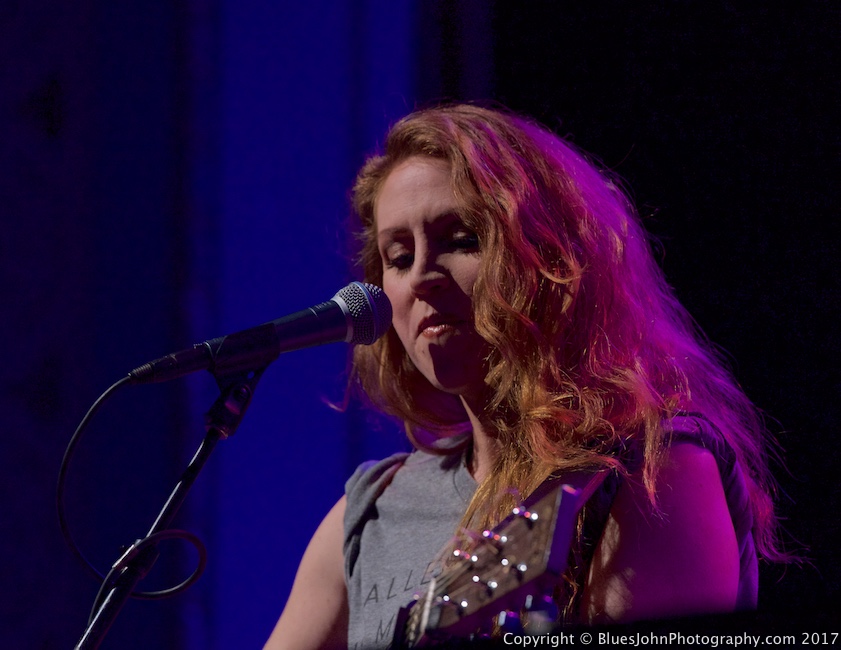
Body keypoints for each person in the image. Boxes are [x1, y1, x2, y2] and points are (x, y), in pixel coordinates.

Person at [264, 104, 787, 649]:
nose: (420, 277)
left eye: (462, 240)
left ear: (553, 259)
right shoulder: (369, 511)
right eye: (399, 256)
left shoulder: (650, 469)